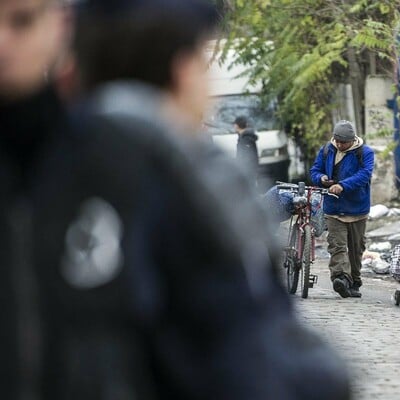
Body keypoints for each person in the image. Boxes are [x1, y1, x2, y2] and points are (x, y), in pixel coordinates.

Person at [0, 0, 350, 398]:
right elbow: (249, 355)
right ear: (183, 70)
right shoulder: (172, 178)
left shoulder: (97, 161)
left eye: (21, 21)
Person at [310, 120, 375, 299]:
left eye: (343, 143)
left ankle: (354, 281)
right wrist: (321, 178)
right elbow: (315, 170)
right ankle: (340, 278)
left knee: (356, 248)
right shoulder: (327, 150)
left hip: (357, 208)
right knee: (337, 246)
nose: (340, 145)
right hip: (333, 208)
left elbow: (364, 175)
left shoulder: (365, 153)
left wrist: (343, 185)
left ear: (352, 140)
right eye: (337, 141)